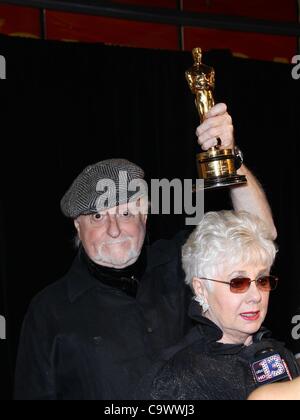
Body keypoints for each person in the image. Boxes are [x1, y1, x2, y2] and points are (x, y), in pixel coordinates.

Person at [15, 104, 277, 400]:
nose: (114, 230)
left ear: (145, 215)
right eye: (98, 217)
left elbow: (261, 233)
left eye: (126, 213)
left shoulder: (183, 261)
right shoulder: (48, 311)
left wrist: (230, 158)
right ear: (78, 227)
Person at [136, 211, 299, 401]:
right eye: (238, 282)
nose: (256, 296)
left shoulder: (278, 354)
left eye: (262, 280)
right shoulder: (174, 378)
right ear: (201, 288)